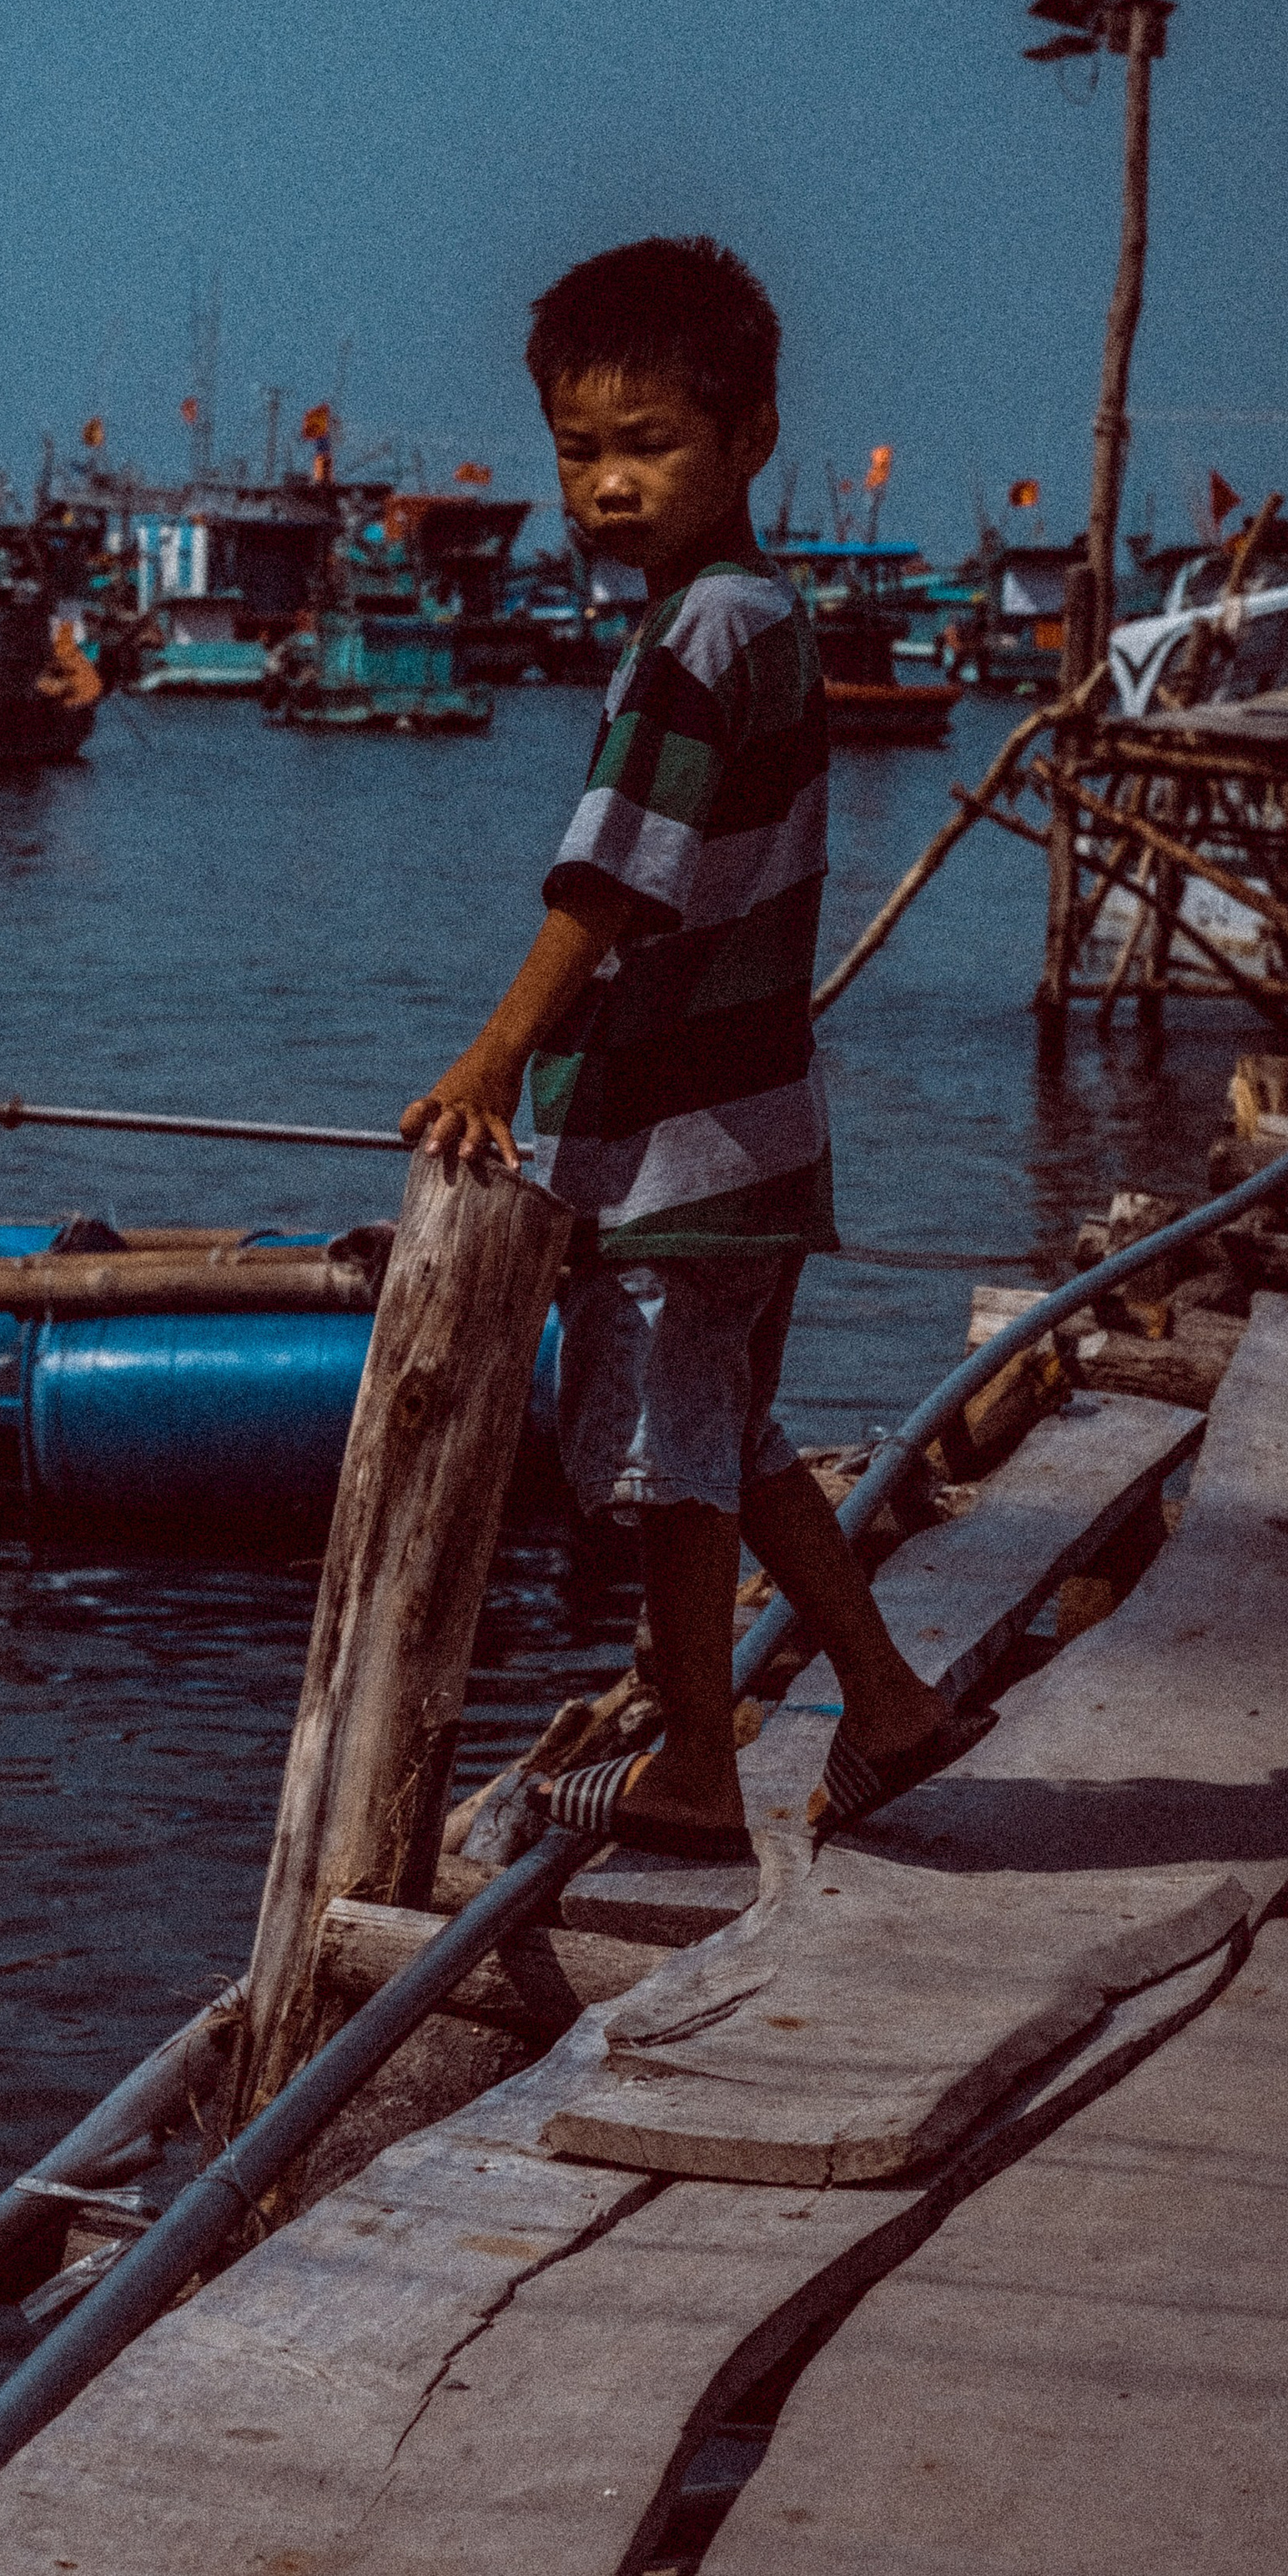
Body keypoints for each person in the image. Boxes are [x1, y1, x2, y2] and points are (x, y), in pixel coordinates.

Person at [400, 236, 991, 1858]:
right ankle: (882, 1699)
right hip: (754, 1128)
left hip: (676, 1138)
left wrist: (489, 1061)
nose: (604, 486)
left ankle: (693, 1771)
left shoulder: (696, 639)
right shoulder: (757, 620)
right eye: (577, 453)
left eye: (644, 445)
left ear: (745, 440)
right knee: (722, 1435)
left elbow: (607, 880)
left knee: (667, 1466)